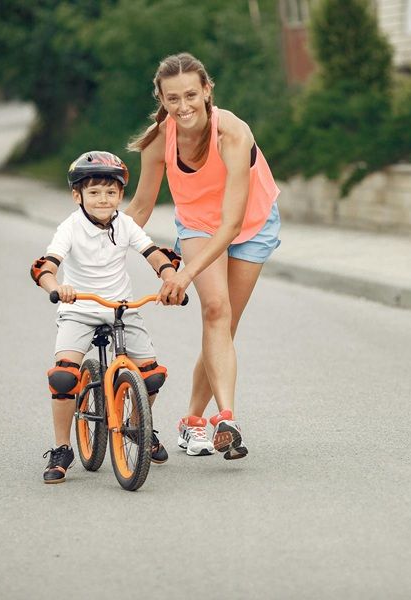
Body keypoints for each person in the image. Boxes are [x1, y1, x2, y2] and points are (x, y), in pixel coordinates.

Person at [125, 52, 281, 460]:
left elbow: (231, 224)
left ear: (207, 90)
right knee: (215, 311)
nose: (183, 106)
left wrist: (183, 274)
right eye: (173, 98)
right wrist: (95, 244)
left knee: (225, 326)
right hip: (198, 223)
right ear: (161, 99)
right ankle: (227, 418)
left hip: (250, 222)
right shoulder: (159, 140)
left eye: (191, 95)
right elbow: (140, 207)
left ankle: (192, 418)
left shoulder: (232, 133)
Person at [31, 151, 181, 483]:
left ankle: (137, 425)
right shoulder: (70, 227)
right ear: (78, 195)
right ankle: (62, 448)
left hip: (121, 307)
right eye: (94, 192)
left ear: (120, 195)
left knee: (152, 376)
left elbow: (154, 254)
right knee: (63, 377)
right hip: (79, 308)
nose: (103, 199)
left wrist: (170, 278)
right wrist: (57, 288)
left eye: (111, 192)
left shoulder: (125, 224)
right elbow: (46, 266)